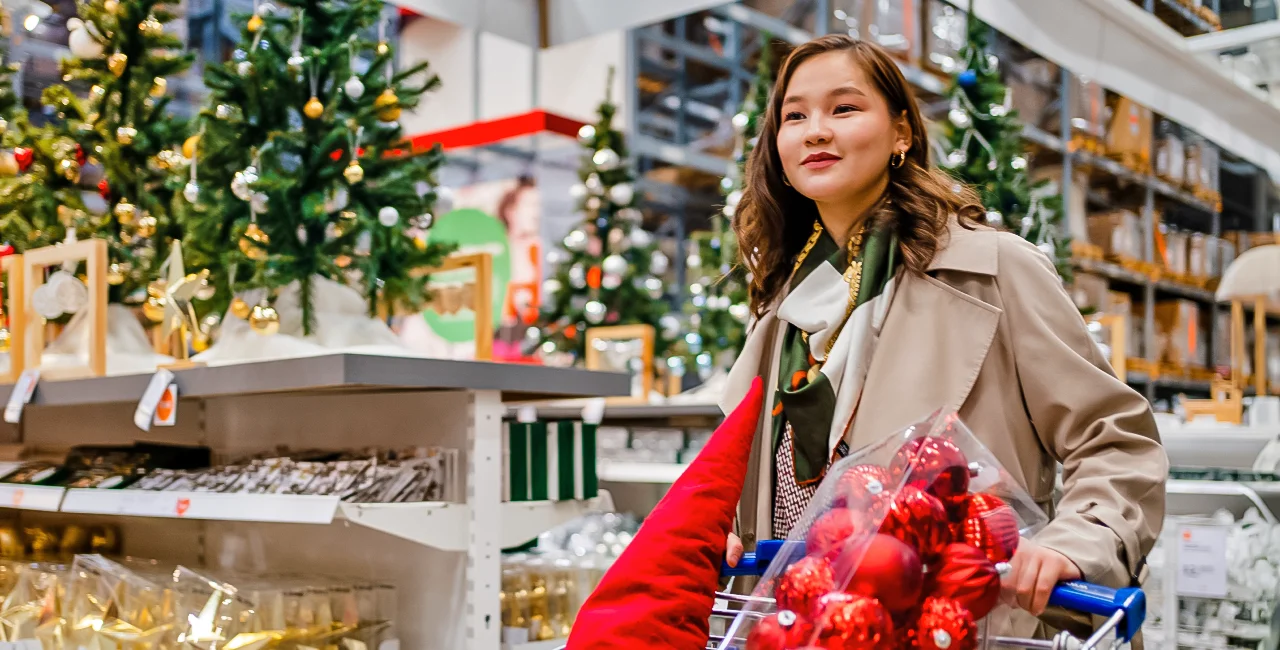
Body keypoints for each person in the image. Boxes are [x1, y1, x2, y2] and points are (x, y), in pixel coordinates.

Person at [717, 34, 1167, 627]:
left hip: (957, 625)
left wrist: (1077, 543)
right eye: (794, 116)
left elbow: (1113, 438)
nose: (815, 131)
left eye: (844, 108)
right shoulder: (786, 305)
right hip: (804, 625)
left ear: (901, 132)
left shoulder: (993, 271)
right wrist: (723, 528)